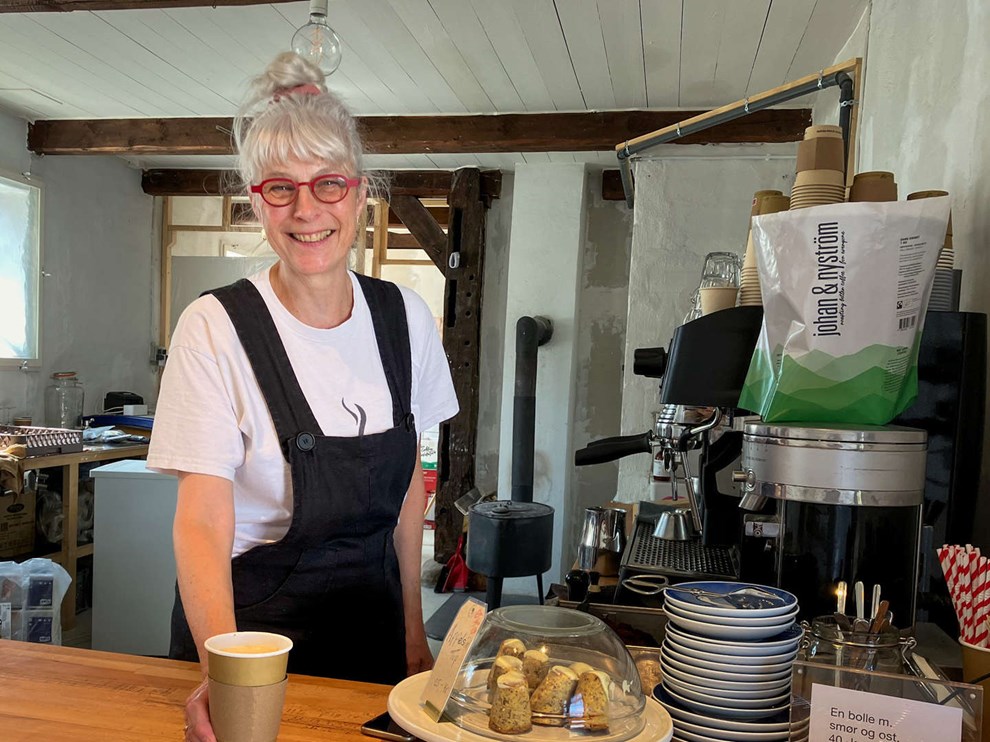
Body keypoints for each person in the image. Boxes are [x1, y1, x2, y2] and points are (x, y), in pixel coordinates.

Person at [147, 51, 459, 741]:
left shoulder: (405, 318)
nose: (306, 209)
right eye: (280, 188)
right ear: (254, 198)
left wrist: (413, 636)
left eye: (328, 183)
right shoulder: (216, 326)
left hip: (374, 632)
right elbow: (201, 523)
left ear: (360, 190)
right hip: (251, 639)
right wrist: (224, 674)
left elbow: (409, 487)